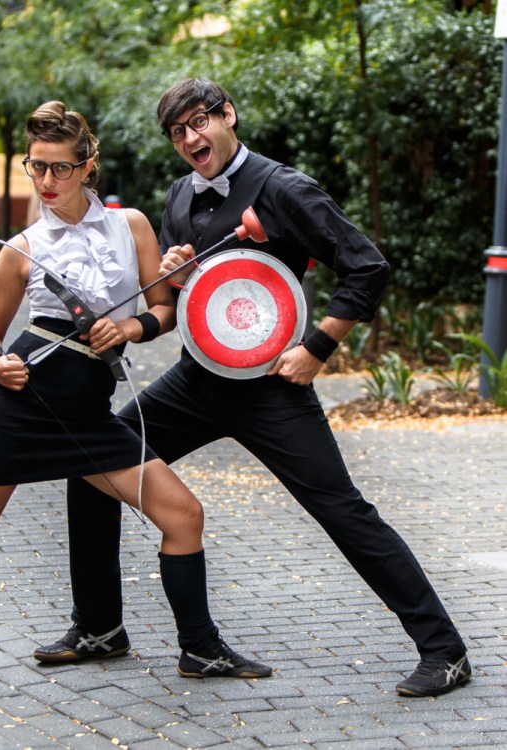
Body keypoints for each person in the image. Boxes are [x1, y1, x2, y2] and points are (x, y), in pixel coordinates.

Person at [35, 79, 472, 699]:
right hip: (196, 380)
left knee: (342, 510)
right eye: (178, 131)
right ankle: (100, 627)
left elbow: (366, 265)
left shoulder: (283, 187)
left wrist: (317, 349)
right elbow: (190, 295)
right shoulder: (180, 195)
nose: (191, 138)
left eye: (199, 122)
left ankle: (445, 651)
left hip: (271, 387)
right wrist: (175, 272)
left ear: (227, 116)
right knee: (94, 464)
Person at [0, 100, 273, 699]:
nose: (47, 182)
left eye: (60, 168)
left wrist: (128, 330)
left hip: (91, 418)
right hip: (20, 410)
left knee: (183, 515)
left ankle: (199, 650)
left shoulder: (133, 228)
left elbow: (164, 310)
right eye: (36, 167)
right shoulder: (20, 247)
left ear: (88, 165)